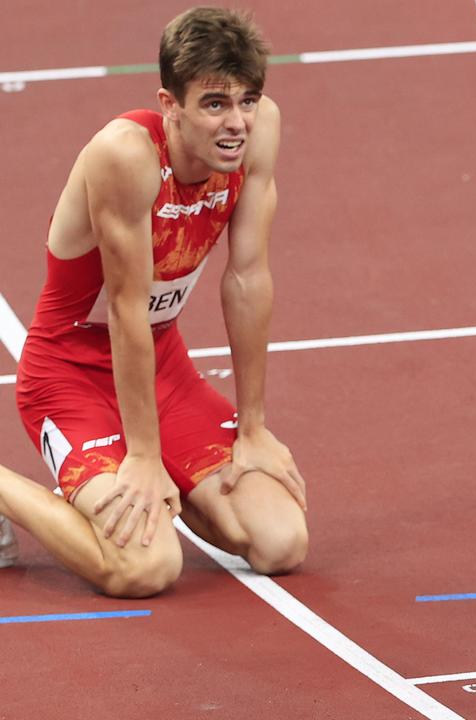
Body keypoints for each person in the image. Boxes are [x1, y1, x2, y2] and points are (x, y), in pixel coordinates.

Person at [0, 7, 307, 598]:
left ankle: (167, 477)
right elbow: (124, 309)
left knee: (280, 542)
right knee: (145, 569)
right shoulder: (126, 154)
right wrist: (144, 453)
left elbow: (247, 278)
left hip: (161, 367)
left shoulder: (260, 130)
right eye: (214, 104)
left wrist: (255, 425)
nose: (236, 123)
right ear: (170, 105)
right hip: (67, 377)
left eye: (247, 100)